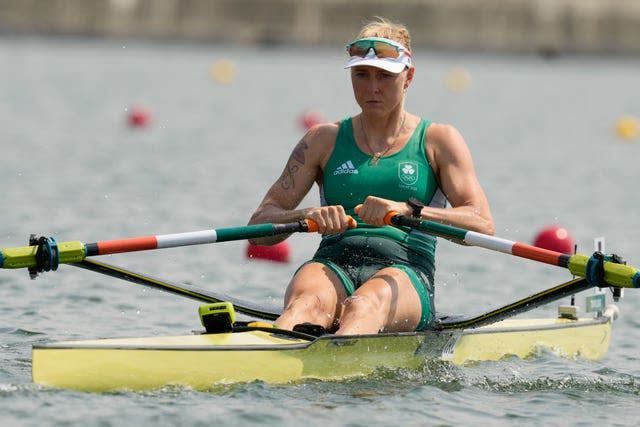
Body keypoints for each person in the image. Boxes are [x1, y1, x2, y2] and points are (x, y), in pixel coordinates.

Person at [248, 17, 494, 336]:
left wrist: (409, 211)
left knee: (363, 306)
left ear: (409, 78)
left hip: (406, 271)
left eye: (384, 76)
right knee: (305, 305)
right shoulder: (322, 140)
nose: (372, 87)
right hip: (332, 262)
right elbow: (257, 228)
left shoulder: (439, 140)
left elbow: (482, 224)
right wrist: (306, 214)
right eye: (361, 75)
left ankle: (341, 365)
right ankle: (273, 360)